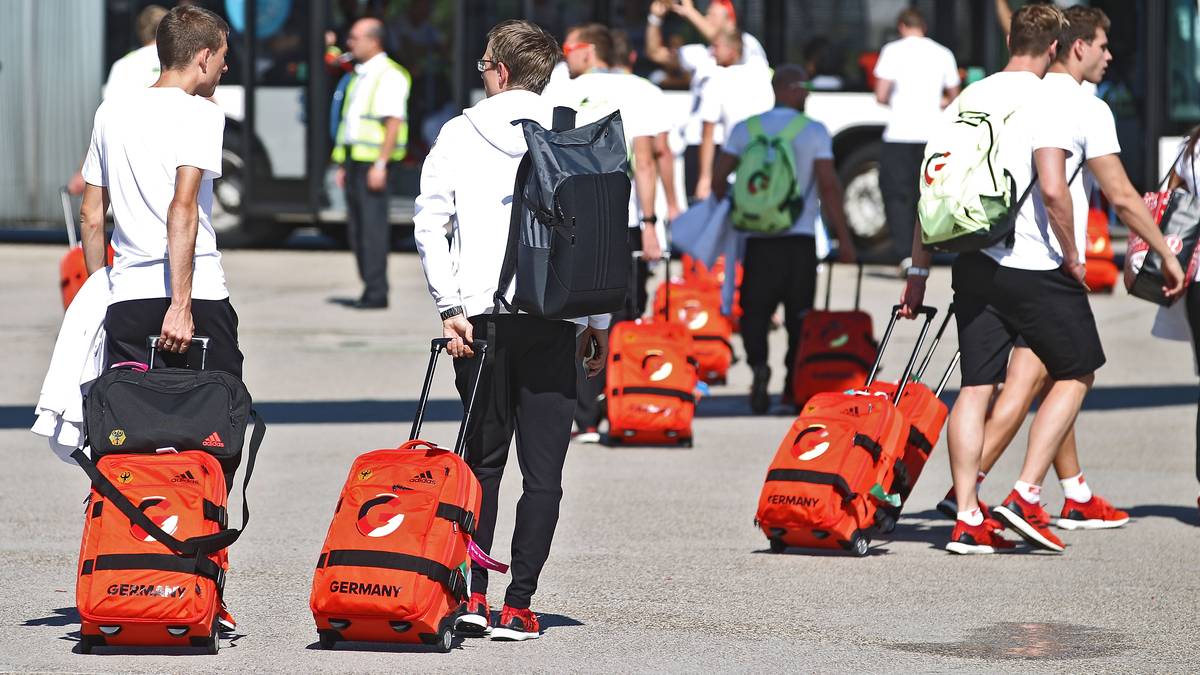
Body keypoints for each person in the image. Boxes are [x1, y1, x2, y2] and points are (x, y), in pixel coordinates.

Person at [899, 4, 1182, 555]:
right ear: (1060, 48)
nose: (1108, 55)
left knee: (976, 388)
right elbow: (1061, 188)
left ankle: (966, 516)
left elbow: (933, 184)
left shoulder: (969, 97)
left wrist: (917, 269)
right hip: (1034, 264)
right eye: (1101, 45)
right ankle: (1027, 493)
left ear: (1009, 37)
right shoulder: (1057, 100)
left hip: (973, 260)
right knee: (1078, 372)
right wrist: (1078, 255)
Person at [412, 19, 609, 642]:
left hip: (479, 322)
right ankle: (521, 604)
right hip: (553, 318)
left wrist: (450, 307)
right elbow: (600, 230)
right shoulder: (569, 131)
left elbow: (429, 226)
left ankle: (473, 595)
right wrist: (594, 321)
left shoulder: (457, 132)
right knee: (545, 471)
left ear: (497, 70)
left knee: (481, 463)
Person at [79, 5, 243, 375]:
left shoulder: (110, 112)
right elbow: (182, 208)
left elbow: (91, 215)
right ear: (204, 57)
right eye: (222, 56)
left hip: (127, 293)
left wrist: (98, 294)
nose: (225, 66)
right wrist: (180, 306)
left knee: (131, 420)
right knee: (213, 416)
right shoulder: (202, 113)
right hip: (195, 294)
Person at [546, 23, 670, 443]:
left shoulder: (559, 91)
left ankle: (582, 416)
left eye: (570, 47)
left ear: (590, 51)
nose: (565, 56)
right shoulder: (641, 91)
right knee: (621, 315)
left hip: (572, 219)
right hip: (625, 218)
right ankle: (622, 402)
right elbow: (647, 161)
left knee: (575, 312)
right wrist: (651, 224)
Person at [710, 66, 857, 413]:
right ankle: (793, 384)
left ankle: (759, 366)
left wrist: (741, 212)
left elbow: (718, 180)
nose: (806, 94)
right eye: (803, 88)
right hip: (799, 239)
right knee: (799, 317)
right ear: (788, 89)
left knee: (754, 313)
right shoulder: (814, 132)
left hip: (757, 240)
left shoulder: (747, 129)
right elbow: (829, 186)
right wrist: (845, 240)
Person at [645, 0, 768, 198]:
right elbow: (656, 53)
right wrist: (655, 18)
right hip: (697, 141)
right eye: (706, 15)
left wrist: (690, 12)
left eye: (712, 15)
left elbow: (723, 40)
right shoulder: (701, 53)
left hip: (728, 143)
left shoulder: (747, 44)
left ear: (730, 20)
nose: (705, 18)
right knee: (698, 205)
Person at [331, 17, 411, 309]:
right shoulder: (360, 74)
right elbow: (349, 125)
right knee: (357, 230)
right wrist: (342, 163)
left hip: (373, 165)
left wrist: (380, 164)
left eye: (355, 37)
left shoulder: (389, 75)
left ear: (374, 41)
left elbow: (393, 123)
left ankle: (377, 292)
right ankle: (369, 288)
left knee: (372, 231)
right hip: (355, 161)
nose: (349, 43)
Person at [873, 7, 960, 271]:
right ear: (923, 26)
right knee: (929, 194)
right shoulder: (943, 53)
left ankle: (905, 255)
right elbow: (954, 96)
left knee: (898, 196)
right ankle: (930, 250)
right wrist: (938, 102)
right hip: (932, 135)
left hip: (899, 132)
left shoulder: (892, 51)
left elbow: (880, 94)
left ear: (901, 26)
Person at [68, 4, 169, 196]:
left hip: (136, 158)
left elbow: (107, 121)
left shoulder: (125, 65)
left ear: (141, 32)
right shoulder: (181, 64)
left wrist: (84, 170)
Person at [694, 29, 774, 201]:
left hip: (735, 172)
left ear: (731, 51)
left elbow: (707, 133)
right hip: (769, 166)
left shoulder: (716, 79)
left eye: (716, 47)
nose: (712, 52)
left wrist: (705, 179)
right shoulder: (761, 70)